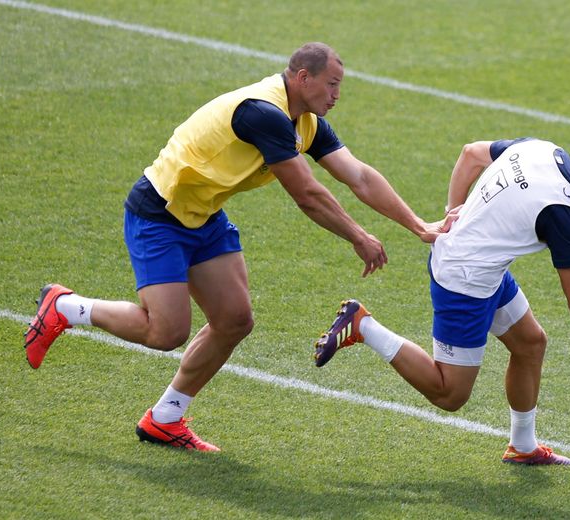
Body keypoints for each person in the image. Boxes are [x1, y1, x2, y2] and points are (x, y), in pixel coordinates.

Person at [24, 42, 445, 452]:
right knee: (166, 331)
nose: (337, 95)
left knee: (234, 320)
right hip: (160, 214)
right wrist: (358, 236)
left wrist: (417, 225)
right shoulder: (262, 113)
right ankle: (66, 307)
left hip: (204, 215)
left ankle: (165, 419)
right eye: (331, 84)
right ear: (302, 77)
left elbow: (360, 176)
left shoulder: (306, 121)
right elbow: (307, 194)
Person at [314, 135, 570, 465]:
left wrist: (454, 210)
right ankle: (363, 325)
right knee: (450, 395)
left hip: (483, 268)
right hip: (464, 281)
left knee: (530, 343)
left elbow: (471, 154)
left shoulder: (539, 149)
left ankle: (522, 447)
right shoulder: (561, 214)